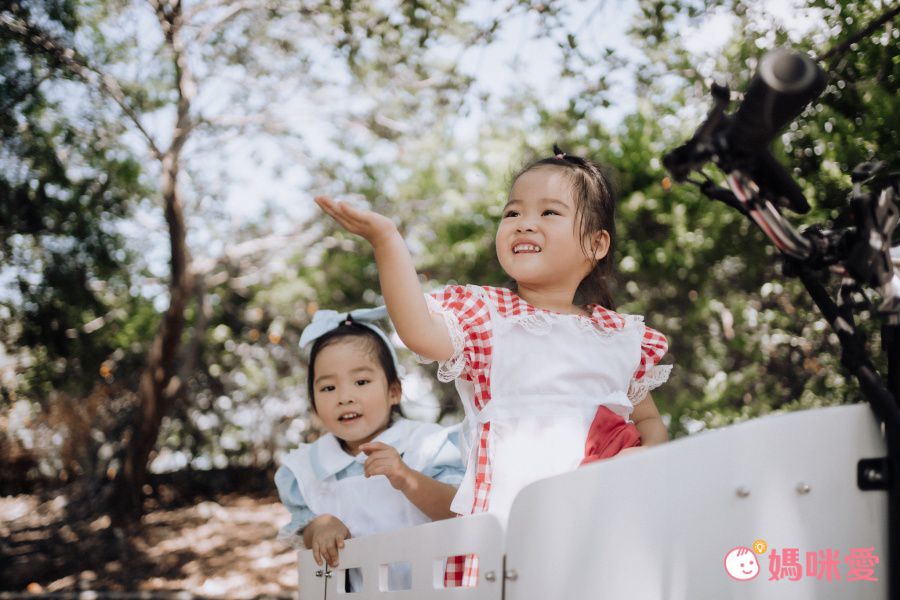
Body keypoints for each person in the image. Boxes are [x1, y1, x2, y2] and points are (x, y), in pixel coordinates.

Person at [315, 145, 672, 583]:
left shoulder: (618, 336)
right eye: (512, 212)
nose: (524, 222)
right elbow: (418, 330)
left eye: (549, 212)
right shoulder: (488, 317)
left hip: (601, 534)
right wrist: (387, 241)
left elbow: (648, 421)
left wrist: (641, 458)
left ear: (596, 243)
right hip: (507, 543)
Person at [275, 306, 464, 591]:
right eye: (328, 388)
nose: (345, 397)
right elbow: (304, 530)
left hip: (436, 591)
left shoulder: (425, 443)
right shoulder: (307, 467)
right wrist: (320, 526)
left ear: (394, 391)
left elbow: (459, 513)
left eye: (361, 382)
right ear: (313, 402)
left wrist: (407, 478)